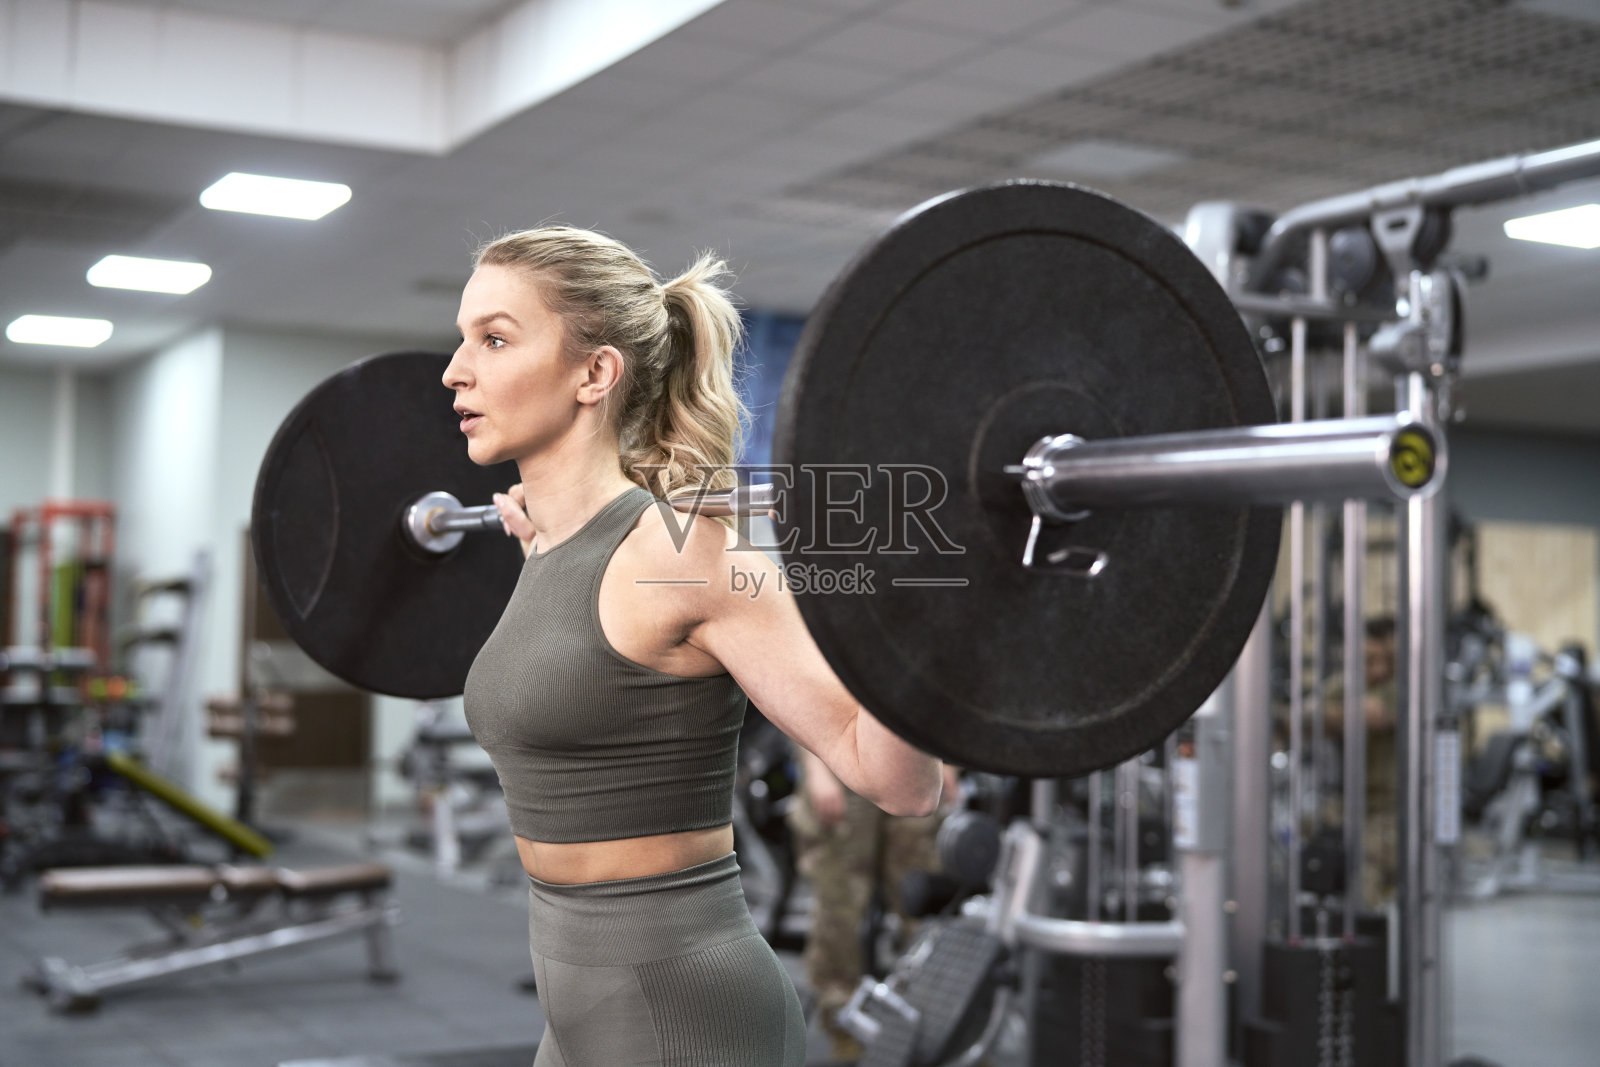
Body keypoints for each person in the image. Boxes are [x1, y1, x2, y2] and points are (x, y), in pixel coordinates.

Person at [445, 225, 944, 1066]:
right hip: (575, 1018)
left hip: (686, 1015)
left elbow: (899, 780)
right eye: (463, 339)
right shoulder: (553, 546)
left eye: (494, 338)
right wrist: (549, 546)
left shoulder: (686, 556)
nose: (456, 369)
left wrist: (928, 607)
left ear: (596, 373)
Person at [790, 750, 960, 1062]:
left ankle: (939, 1026)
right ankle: (845, 1028)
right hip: (838, 761)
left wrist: (944, 757)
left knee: (925, 907)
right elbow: (804, 699)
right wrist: (816, 768)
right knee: (839, 910)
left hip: (910, 760)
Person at [1326, 617, 1399, 906]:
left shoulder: (1407, 687)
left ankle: (1359, 932)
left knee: (1363, 870)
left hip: (1394, 814)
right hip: (1350, 806)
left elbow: (1373, 714)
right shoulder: (1350, 683)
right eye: (1369, 660)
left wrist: (1330, 716)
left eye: (1388, 660)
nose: (1379, 669)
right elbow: (1304, 715)